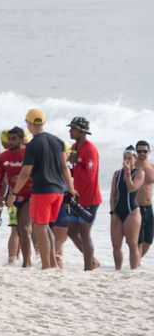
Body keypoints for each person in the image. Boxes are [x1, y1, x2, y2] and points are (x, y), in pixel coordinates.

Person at [7, 108, 76, 270]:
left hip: (43, 191)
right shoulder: (57, 141)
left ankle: (46, 266)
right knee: (46, 227)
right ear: (43, 122)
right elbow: (64, 168)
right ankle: (52, 263)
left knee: (40, 228)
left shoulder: (32, 145)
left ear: (29, 123)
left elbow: (25, 173)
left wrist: (14, 193)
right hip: (59, 190)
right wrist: (71, 189)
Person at [66, 116, 102, 271]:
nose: (70, 130)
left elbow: (89, 176)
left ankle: (88, 269)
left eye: (73, 128)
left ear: (81, 131)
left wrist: (75, 164)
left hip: (90, 198)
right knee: (71, 232)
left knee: (85, 233)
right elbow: (74, 172)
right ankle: (93, 261)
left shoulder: (90, 149)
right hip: (78, 197)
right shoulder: (74, 146)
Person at [0, 127, 33, 267]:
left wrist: (24, 177)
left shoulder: (28, 154)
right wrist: (1, 196)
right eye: (9, 139)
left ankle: (27, 262)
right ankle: (12, 259)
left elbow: (37, 173)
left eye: (13, 139)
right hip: (11, 199)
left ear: (21, 139)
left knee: (24, 228)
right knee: (14, 228)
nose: (10, 142)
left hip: (29, 196)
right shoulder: (4, 156)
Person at [110, 146, 146, 270]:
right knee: (116, 245)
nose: (127, 160)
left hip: (132, 212)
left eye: (130, 158)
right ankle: (117, 270)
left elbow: (132, 188)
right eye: (125, 158)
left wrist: (128, 172)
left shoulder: (139, 173)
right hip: (118, 211)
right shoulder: (117, 174)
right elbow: (113, 194)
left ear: (135, 159)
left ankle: (133, 271)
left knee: (132, 244)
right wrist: (112, 211)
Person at [135, 140, 153, 258]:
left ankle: (136, 261)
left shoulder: (152, 167)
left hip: (149, 208)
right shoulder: (132, 166)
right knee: (138, 242)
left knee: (149, 240)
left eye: (144, 151)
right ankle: (135, 264)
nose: (142, 153)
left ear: (149, 152)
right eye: (139, 151)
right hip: (135, 208)